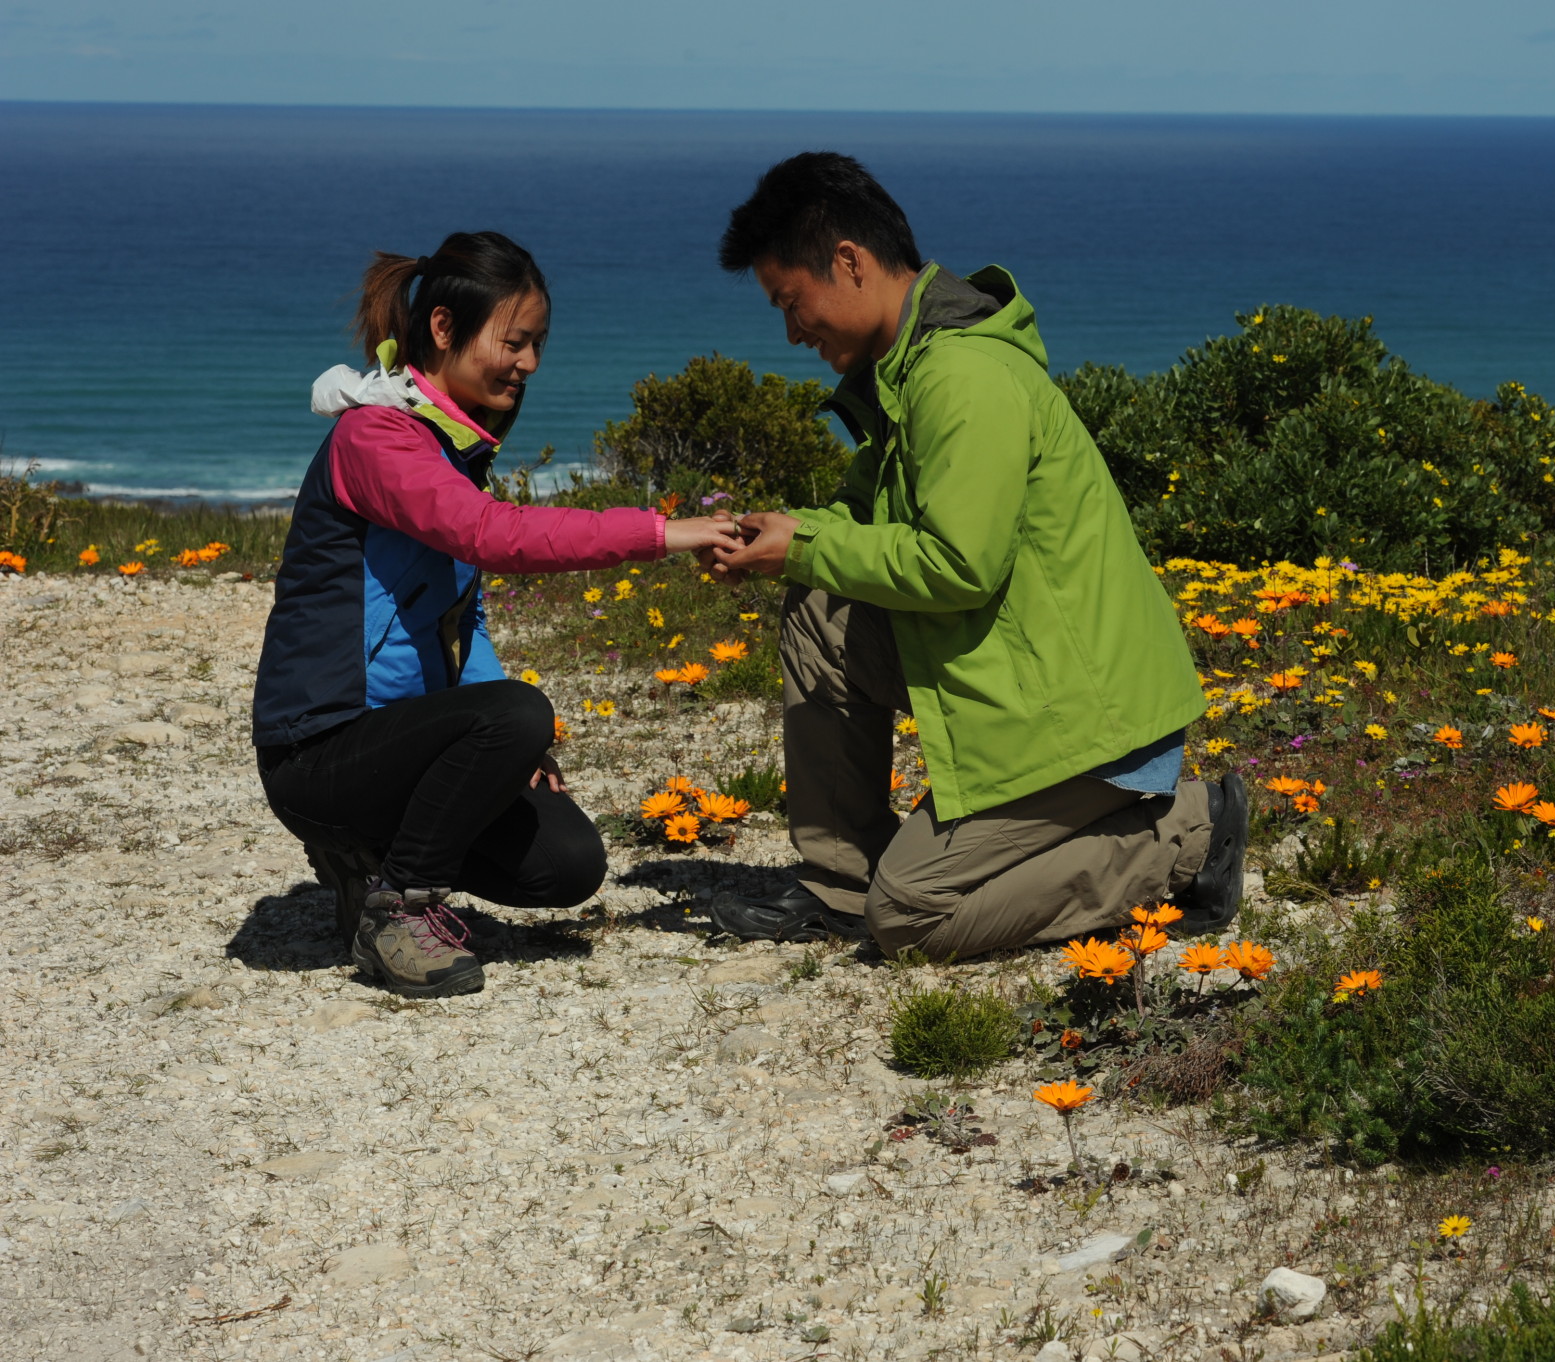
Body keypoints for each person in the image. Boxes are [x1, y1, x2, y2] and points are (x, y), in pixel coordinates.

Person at [703, 152, 1248, 959]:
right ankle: (839, 881)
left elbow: (960, 566)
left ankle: (1188, 832)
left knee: (913, 917)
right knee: (819, 607)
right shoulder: (909, 373)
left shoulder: (959, 376)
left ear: (848, 262)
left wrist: (807, 544)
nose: (792, 331)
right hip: (1022, 681)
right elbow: (856, 522)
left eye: (793, 302)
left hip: (1081, 720)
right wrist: (774, 538)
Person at [252, 230, 741, 998]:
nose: (530, 365)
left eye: (538, 343)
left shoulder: (451, 447)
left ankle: (366, 860)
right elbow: (494, 537)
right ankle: (397, 909)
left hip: (396, 751)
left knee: (569, 861)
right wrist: (659, 532)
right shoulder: (376, 437)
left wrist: (513, 751)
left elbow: (459, 615)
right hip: (317, 754)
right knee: (517, 713)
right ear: (443, 328)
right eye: (514, 342)